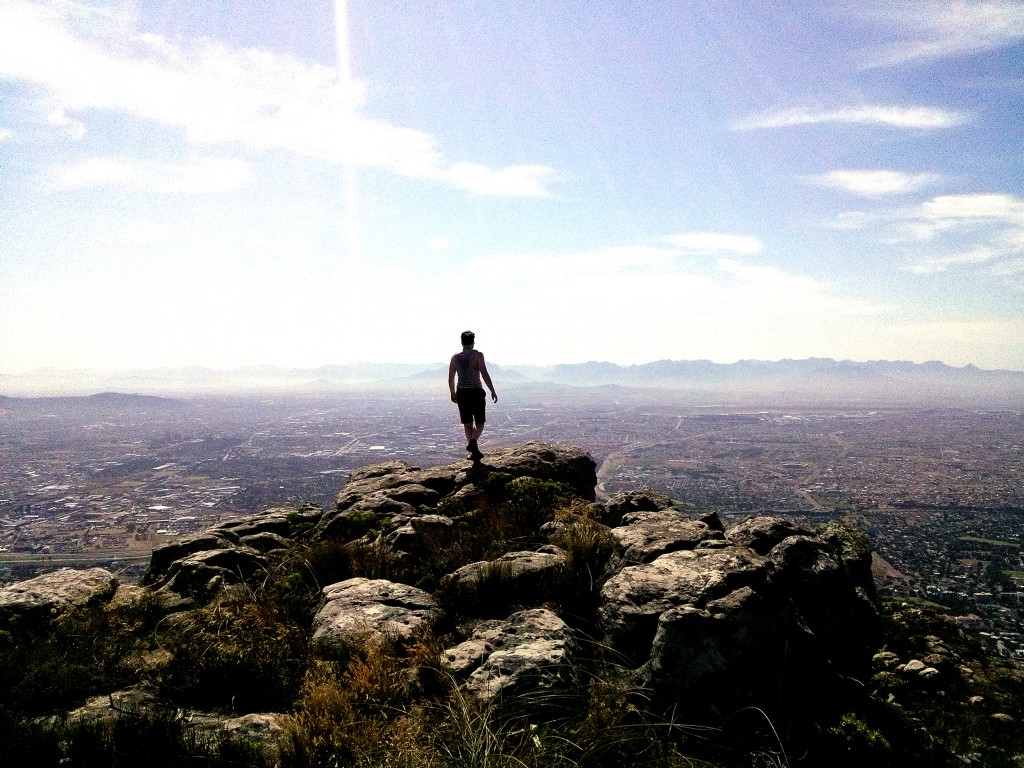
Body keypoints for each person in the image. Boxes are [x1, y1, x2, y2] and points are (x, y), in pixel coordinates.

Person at [448, 330, 497, 461]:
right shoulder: (478, 355)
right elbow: (484, 373)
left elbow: (451, 378)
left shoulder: (455, 357)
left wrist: (452, 393)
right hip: (476, 391)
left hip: (462, 393)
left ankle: (472, 451)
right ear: (473, 342)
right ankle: (473, 442)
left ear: (462, 342)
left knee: (467, 424)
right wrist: (492, 390)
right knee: (480, 422)